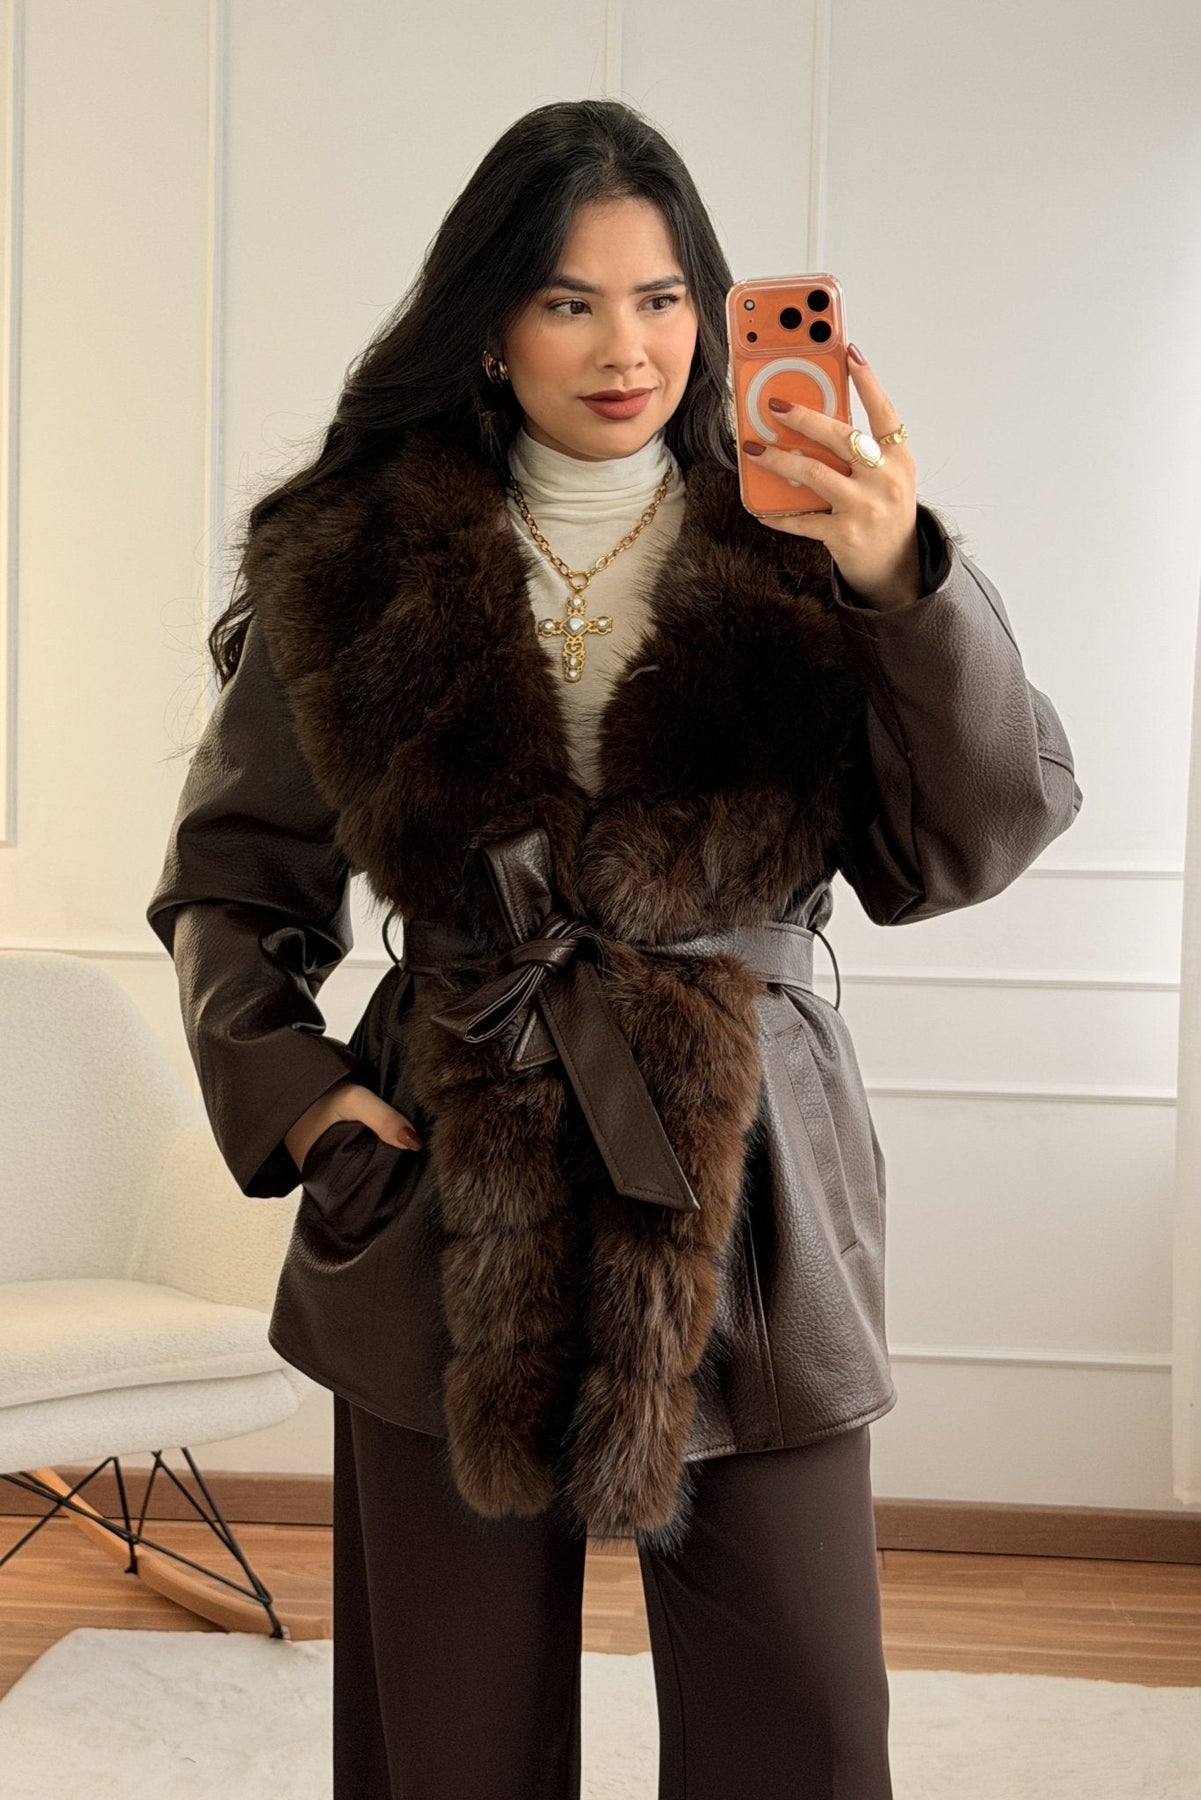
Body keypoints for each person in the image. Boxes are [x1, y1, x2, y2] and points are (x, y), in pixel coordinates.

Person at [147, 98, 1082, 1800]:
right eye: (567, 301)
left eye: (659, 299)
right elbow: (229, 882)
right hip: (448, 1169)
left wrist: (898, 579)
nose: (624, 346)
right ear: (487, 328)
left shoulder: (810, 541)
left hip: (747, 1180)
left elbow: (970, 837)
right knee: (448, 1745)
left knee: (802, 1725)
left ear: (712, 314)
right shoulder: (352, 561)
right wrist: (303, 1108)